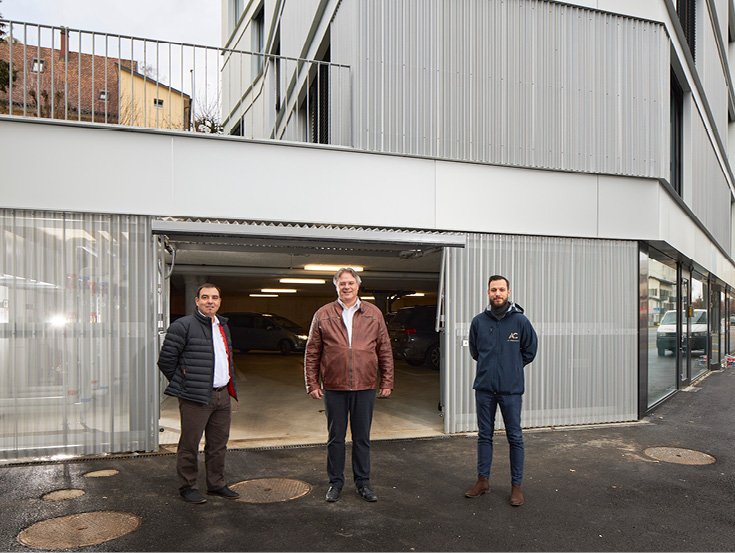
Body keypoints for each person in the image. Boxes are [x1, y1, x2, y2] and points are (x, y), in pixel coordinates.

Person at [304, 267, 394, 503]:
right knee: (336, 438)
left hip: (365, 385)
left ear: (357, 285)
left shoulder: (373, 313)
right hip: (334, 386)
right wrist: (312, 382)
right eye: (342, 283)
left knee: (362, 438)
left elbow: (384, 348)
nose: (346, 287)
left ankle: (363, 483)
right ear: (336, 286)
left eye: (350, 283)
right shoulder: (323, 314)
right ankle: (335, 483)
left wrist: (387, 380)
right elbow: (312, 351)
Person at [157, 283, 240, 504]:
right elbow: (166, 361)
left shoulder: (223, 326)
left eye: (214, 297)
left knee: (218, 444)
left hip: (222, 395)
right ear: (197, 301)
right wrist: (185, 385)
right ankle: (188, 486)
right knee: (189, 444)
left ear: (220, 302)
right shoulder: (182, 326)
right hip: (195, 397)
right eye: (205, 297)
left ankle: (216, 484)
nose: (210, 301)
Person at [466, 275, 538, 506]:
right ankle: (483, 480)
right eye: (493, 290)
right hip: (484, 389)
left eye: (502, 289)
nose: (497, 293)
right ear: (488, 293)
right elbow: (476, 352)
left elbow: (530, 350)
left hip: (511, 390)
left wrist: (512, 368)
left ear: (508, 292)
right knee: (484, 436)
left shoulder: (520, 322)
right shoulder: (479, 321)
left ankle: (516, 486)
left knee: (515, 437)